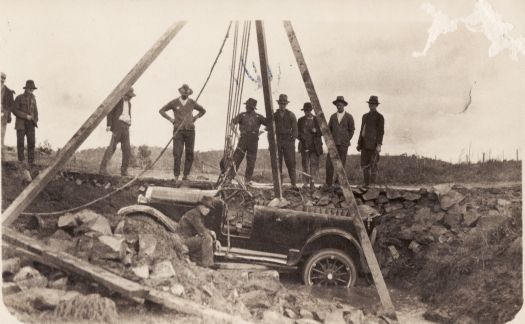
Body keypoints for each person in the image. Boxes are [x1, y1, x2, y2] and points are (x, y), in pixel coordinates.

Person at [159, 84, 206, 181]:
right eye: (184, 93)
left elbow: (203, 110)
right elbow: (162, 110)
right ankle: (176, 176)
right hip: (178, 131)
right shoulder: (174, 102)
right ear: (181, 92)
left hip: (190, 131)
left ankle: (186, 175)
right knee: (177, 153)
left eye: (187, 93)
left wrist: (195, 118)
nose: (186, 95)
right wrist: (171, 120)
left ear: (189, 93)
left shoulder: (192, 102)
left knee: (189, 153)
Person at [228, 98, 267, 185]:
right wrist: (237, 134)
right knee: (236, 159)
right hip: (243, 139)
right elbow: (231, 123)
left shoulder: (258, 117)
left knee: (251, 160)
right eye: (247, 106)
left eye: (249, 106)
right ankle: (229, 178)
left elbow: (270, 124)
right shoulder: (242, 115)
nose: (247, 108)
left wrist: (260, 132)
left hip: (253, 140)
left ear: (252, 108)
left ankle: (247, 180)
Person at [99, 88, 136, 176]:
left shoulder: (129, 104)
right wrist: (109, 125)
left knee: (127, 149)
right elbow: (110, 112)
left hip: (126, 127)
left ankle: (124, 171)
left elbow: (128, 115)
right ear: (124, 95)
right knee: (112, 147)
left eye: (131, 97)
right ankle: (102, 169)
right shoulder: (117, 101)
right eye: (129, 96)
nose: (130, 98)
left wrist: (129, 122)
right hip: (118, 126)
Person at [178, 196, 218, 268]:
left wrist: (215, 240)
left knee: (207, 238)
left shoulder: (198, 214)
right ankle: (208, 265)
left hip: (186, 240)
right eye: (207, 207)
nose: (208, 210)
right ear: (200, 206)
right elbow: (202, 231)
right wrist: (212, 233)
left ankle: (198, 261)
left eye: (210, 209)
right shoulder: (194, 214)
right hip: (182, 242)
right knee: (207, 238)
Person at [325, 96, 355, 187]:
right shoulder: (333, 117)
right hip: (333, 145)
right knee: (329, 164)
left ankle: (339, 183)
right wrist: (330, 141)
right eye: (337, 105)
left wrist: (346, 139)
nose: (339, 106)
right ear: (336, 106)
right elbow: (328, 129)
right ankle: (328, 183)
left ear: (344, 105)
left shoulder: (349, 117)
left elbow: (352, 130)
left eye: (340, 104)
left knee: (341, 164)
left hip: (343, 145)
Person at [357, 95, 384, 186]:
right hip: (364, 144)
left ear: (376, 105)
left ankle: (372, 185)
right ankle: (366, 183)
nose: (371, 105)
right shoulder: (364, 116)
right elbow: (362, 130)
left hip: (373, 145)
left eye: (373, 104)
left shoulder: (380, 117)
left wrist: (379, 144)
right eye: (370, 104)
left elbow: (381, 132)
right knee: (364, 164)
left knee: (373, 164)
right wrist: (359, 143)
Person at [12, 80, 39, 166]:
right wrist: (25, 116)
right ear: (26, 88)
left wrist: (35, 120)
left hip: (31, 124)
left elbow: (36, 111)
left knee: (31, 143)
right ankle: (21, 161)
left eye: (32, 88)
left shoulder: (34, 99)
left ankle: (31, 162)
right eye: (30, 88)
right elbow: (14, 110)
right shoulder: (19, 98)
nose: (31, 90)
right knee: (20, 143)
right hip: (21, 124)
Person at [273, 94, 298, 188]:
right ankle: (279, 183)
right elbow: (271, 128)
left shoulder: (291, 115)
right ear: (278, 104)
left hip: (288, 141)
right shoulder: (274, 115)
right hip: (278, 140)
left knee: (291, 162)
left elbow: (295, 130)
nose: (282, 105)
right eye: (280, 103)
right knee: (277, 162)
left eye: (284, 104)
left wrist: (292, 140)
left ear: (286, 104)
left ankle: (293, 183)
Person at [297, 102, 323, 189]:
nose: (306, 112)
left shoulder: (317, 120)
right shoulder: (300, 120)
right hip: (304, 146)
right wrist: (302, 137)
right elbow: (297, 133)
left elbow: (323, 132)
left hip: (314, 147)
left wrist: (316, 131)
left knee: (314, 164)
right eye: (305, 111)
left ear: (311, 110)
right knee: (305, 164)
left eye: (308, 110)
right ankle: (305, 182)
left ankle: (312, 182)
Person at [1, 72, 15, 153]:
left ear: (4, 80)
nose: (1, 80)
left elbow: (12, 106)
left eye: (3, 78)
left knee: (2, 134)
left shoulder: (9, 92)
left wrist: (6, 112)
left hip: (3, 116)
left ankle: (1, 151)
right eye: (0, 78)